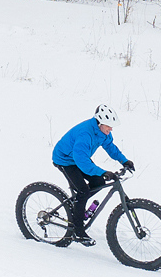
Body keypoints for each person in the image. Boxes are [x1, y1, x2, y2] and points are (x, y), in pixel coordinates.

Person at [52, 104, 135, 246]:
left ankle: (77, 203)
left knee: (99, 182)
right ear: (100, 122)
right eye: (108, 126)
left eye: (111, 126)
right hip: (65, 160)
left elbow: (110, 147)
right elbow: (82, 162)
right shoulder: (85, 134)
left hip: (79, 157)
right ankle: (78, 231)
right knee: (83, 191)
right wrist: (103, 172)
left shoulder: (103, 132)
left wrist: (124, 160)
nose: (111, 129)